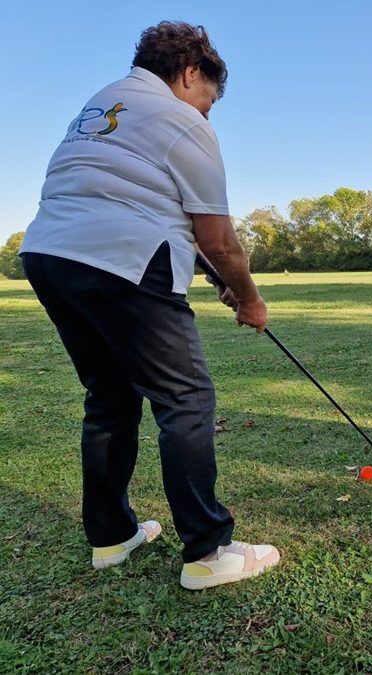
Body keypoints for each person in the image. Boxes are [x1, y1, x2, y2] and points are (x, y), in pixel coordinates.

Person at [18, 21, 280, 589]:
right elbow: (219, 239)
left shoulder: (102, 102)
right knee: (185, 397)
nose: (207, 114)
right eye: (208, 100)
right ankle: (209, 553)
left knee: (110, 396)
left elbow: (141, 200)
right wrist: (251, 297)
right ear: (191, 73)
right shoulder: (183, 120)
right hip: (121, 258)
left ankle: (111, 538)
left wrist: (219, 280)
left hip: (48, 254)